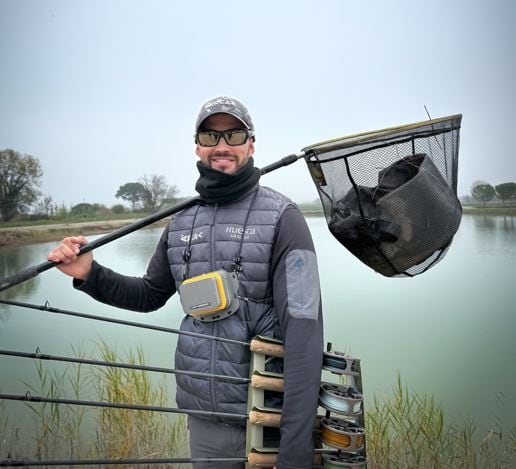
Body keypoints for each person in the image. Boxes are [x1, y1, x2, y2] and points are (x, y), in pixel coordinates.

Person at [47, 96, 324, 469]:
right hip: (204, 421)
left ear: (251, 144)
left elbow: (305, 333)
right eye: (211, 136)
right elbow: (148, 294)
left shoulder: (284, 217)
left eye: (234, 135)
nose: (222, 146)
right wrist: (90, 274)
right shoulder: (180, 221)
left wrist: (295, 449)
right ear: (197, 146)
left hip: (267, 417)